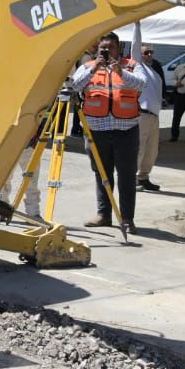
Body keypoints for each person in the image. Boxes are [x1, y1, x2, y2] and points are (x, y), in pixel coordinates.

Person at [72, 32, 149, 232]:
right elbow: (75, 85)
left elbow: (142, 84)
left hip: (126, 131)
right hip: (97, 131)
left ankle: (127, 219)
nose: (106, 51)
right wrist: (94, 68)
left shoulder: (132, 66)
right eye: (103, 48)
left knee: (127, 175)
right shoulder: (87, 67)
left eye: (110, 47)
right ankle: (104, 215)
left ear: (119, 48)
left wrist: (120, 72)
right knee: (102, 174)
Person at [135, 39, 166, 192]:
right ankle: (132, 177)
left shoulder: (153, 68)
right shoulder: (138, 67)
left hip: (154, 114)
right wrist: (137, 27)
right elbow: (135, 46)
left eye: (151, 52)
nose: (149, 55)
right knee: (139, 147)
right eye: (146, 52)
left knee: (152, 150)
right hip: (142, 113)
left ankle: (143, 177)